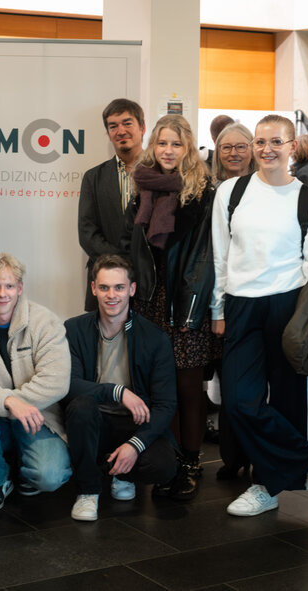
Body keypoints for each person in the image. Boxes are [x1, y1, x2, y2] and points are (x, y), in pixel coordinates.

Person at [211, 114, 308, 517]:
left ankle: (267, 486)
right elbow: (220, 256)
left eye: (276, 142)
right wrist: (218, 307)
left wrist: (305, 318)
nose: (267, 149)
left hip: (289, 306)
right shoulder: (231, 192)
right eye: (260, 141)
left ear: (292, 147)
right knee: (238, 401)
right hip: (240, 305)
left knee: (287, 401)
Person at [127, 114, 215, 499]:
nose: (168, 150)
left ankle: (191, 462)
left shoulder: (203, 192)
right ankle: (170, 460)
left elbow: (206, 257)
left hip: (186, 302)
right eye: (162, 143)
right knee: (160, 387)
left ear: (187, 148)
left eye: (176, 144)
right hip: (149, 301)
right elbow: (133, 247)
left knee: (188, 388)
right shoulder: (142, 185)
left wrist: (192, 308)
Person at [62, 254, 180, 521]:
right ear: (94, 288)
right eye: (104, 287)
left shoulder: (155, 337)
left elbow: (165, 404)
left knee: (164, 467)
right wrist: (118, 391)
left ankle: (121, 472)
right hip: (94, 420)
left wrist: (135, 445)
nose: (111, 295)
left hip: (134, 423)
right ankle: (88, 490)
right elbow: (68, 385)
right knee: (80, 407)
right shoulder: (73, 329)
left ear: (132, 289)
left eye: (119, 287)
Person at [0, 252, 72, 511]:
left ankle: (25, 469)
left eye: (8, 286)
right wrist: (9, 402)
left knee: (49, 477)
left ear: (20, 288)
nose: (2, 294)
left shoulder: (45, 322)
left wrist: (19, 403)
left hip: (38, 417)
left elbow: (57, 382)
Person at [209, 121, 254, 480]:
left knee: (247, 384)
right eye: (227, 147)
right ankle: (232, 455)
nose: (234, 153)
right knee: (225, 381)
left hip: (246, 297)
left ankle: (253, 452)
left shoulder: (261, 190)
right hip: (211, 297)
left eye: (241, 146)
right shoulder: (208, 190)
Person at [78, 99, 146, 311]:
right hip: (105, 282)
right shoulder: (93, 178)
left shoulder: (161, 174)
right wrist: (121, 263)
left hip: (148, 283)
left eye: (127, 123)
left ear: (142, 128)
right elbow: (87, 233)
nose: (121, 131)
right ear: (108, 133)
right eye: (113, 126)